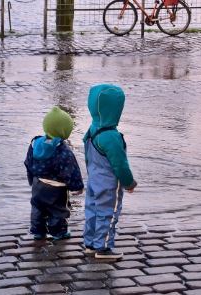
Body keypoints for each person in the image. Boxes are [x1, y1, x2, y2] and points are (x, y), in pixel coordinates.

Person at [83, 84, 137, 260]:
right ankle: (103, 247)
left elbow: (88, 157)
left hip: (93, 180)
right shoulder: (111, 137)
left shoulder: (91, 131)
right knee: (108, 213)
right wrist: (129, 182)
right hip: (108, 185)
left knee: (92, 211)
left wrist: (91, 174)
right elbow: (120, 164)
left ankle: (90, 243)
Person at [24, 106, 84, 241]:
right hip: (57, 189)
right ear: (64, 131)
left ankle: (38, 231)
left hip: (37, 185)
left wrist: (31, 179)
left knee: (37, 209)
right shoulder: (63, 150)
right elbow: (71, 170)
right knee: (58, 211)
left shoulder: (34, 144)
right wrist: (77, 187)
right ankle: (58, 232)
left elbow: (28, 163)